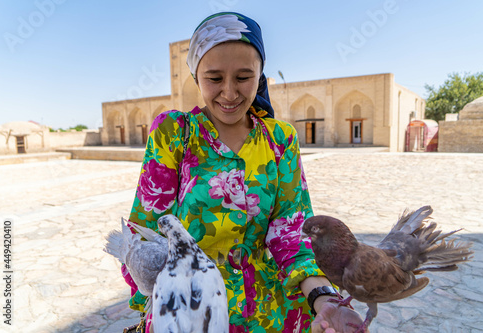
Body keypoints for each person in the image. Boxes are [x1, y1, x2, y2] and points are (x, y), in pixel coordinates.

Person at [123, 12, 367, 333]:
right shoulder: (174, 133)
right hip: (191, 311)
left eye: (242, 77)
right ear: (196, 77)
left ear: (260, 74)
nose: (229, 92)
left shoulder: (280, 139)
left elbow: (291, 232)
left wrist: (325, 300)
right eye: (214, 78)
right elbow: (146, 233)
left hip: (265, 313)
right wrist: (156, 308)